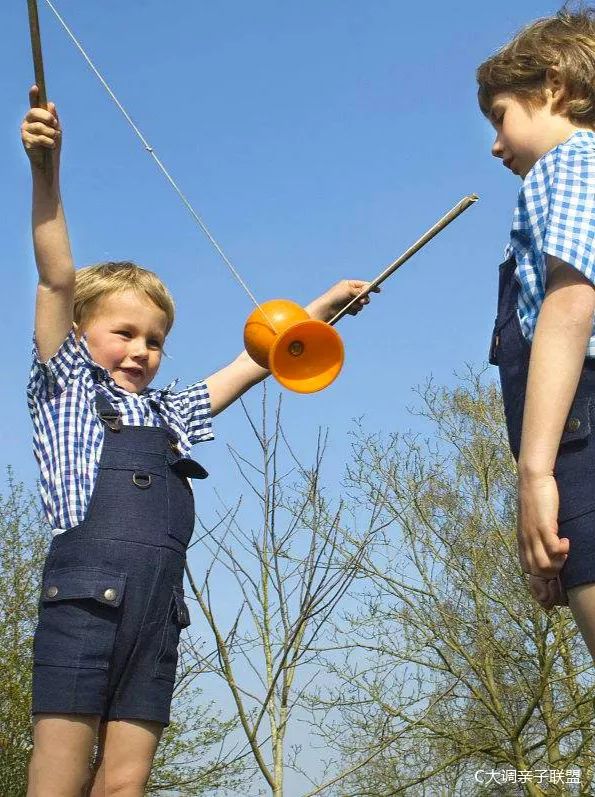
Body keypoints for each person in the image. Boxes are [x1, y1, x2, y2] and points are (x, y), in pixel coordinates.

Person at [21, 84, 376, 796]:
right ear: (81, 333)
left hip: (158, 613)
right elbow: (57, 276)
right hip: (85, 602)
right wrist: (46, 171)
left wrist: (321, 311)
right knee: (57, 779)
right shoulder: (66, 392)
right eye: (123, 332)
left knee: (125, 783)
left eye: (154, 339)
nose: (141, 350)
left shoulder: (171, 410)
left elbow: (256, 361)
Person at [477, 6, 595, 655]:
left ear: (552, 85)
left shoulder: (570, 163)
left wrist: (535, 476)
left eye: (499, 117)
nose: (495, 145)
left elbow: (571, 298)